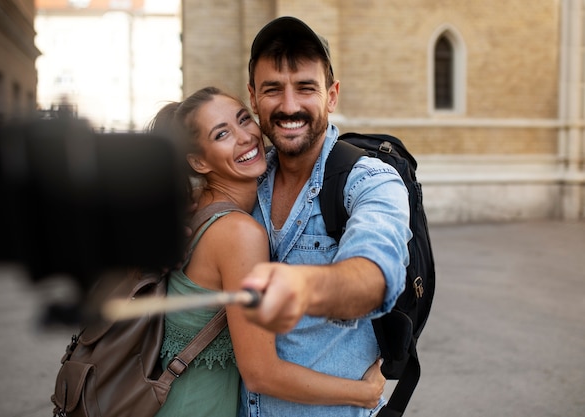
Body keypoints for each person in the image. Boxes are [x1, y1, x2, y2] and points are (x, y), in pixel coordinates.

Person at [148, 86, 387, 417]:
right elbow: (261, 373)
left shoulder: (195, 208)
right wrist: (365, 392)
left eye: (244, 119)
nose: (245, 137)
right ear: (199, 161)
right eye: (222, 134)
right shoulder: (238, 232)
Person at [237, 16, 413, 417]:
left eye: (305, 88)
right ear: (252, 97)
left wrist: (303, 288)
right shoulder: (245, 184)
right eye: (272, 90)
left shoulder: (371, 179)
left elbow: (374, 273)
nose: (289, 106)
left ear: (331, 96)